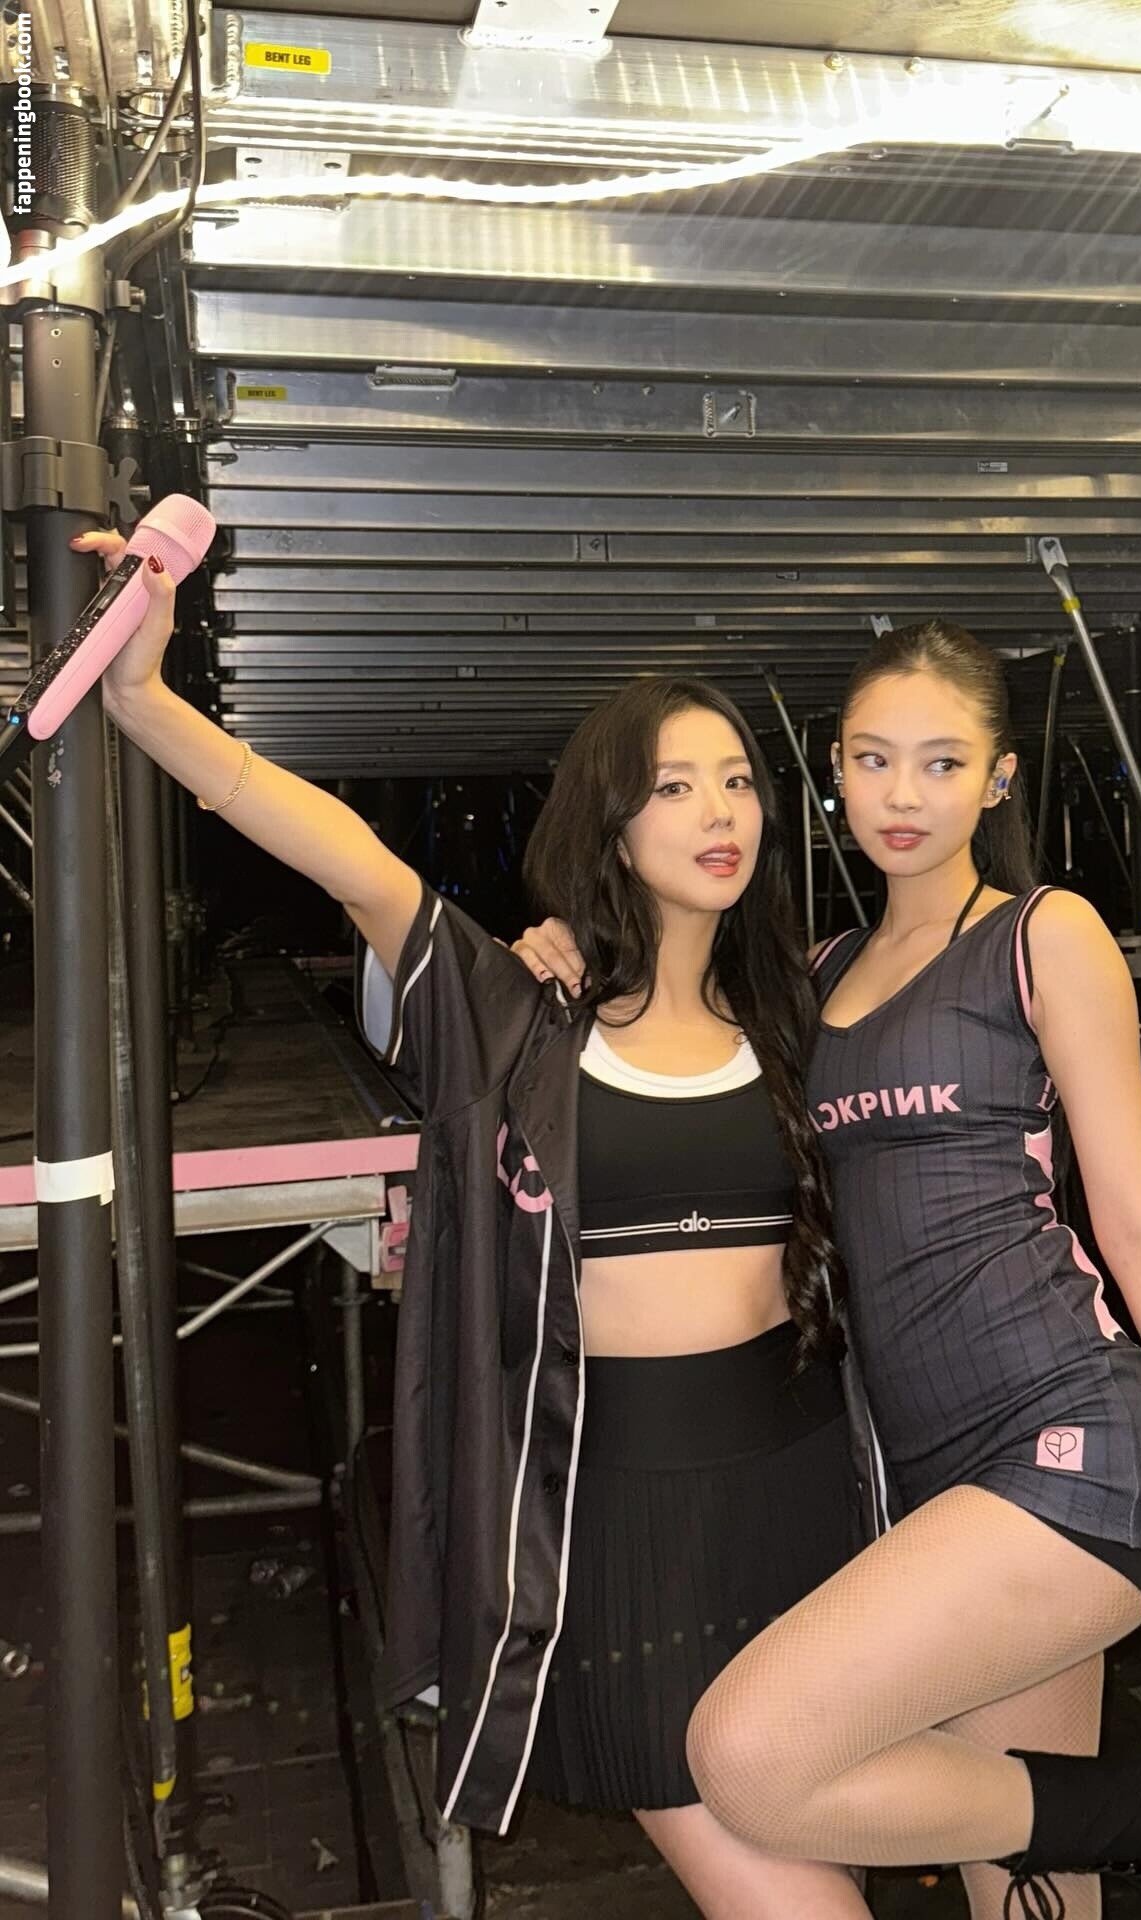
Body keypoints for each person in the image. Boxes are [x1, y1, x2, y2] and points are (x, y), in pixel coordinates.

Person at [76, 527, 884, 1920]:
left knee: (828, 1839)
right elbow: (351, 860)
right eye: (674, 784)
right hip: (610, 1517)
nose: (721, 810)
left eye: (739, 779)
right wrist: (145, 699)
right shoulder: (518, 1014)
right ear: (609, 823)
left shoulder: (802, 1012)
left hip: (804, 1487)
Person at [514, 622, 1141, 1920]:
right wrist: (557, 946)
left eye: (943, 763)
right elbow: (666, 1033)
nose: (904, 794)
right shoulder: (810, 980)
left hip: (1075, 1440)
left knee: (753, 1754)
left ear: (998, 778)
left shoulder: (1043, 936)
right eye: (873, 759)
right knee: (1026, 1892)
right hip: (932, 1483)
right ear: (833, 771)